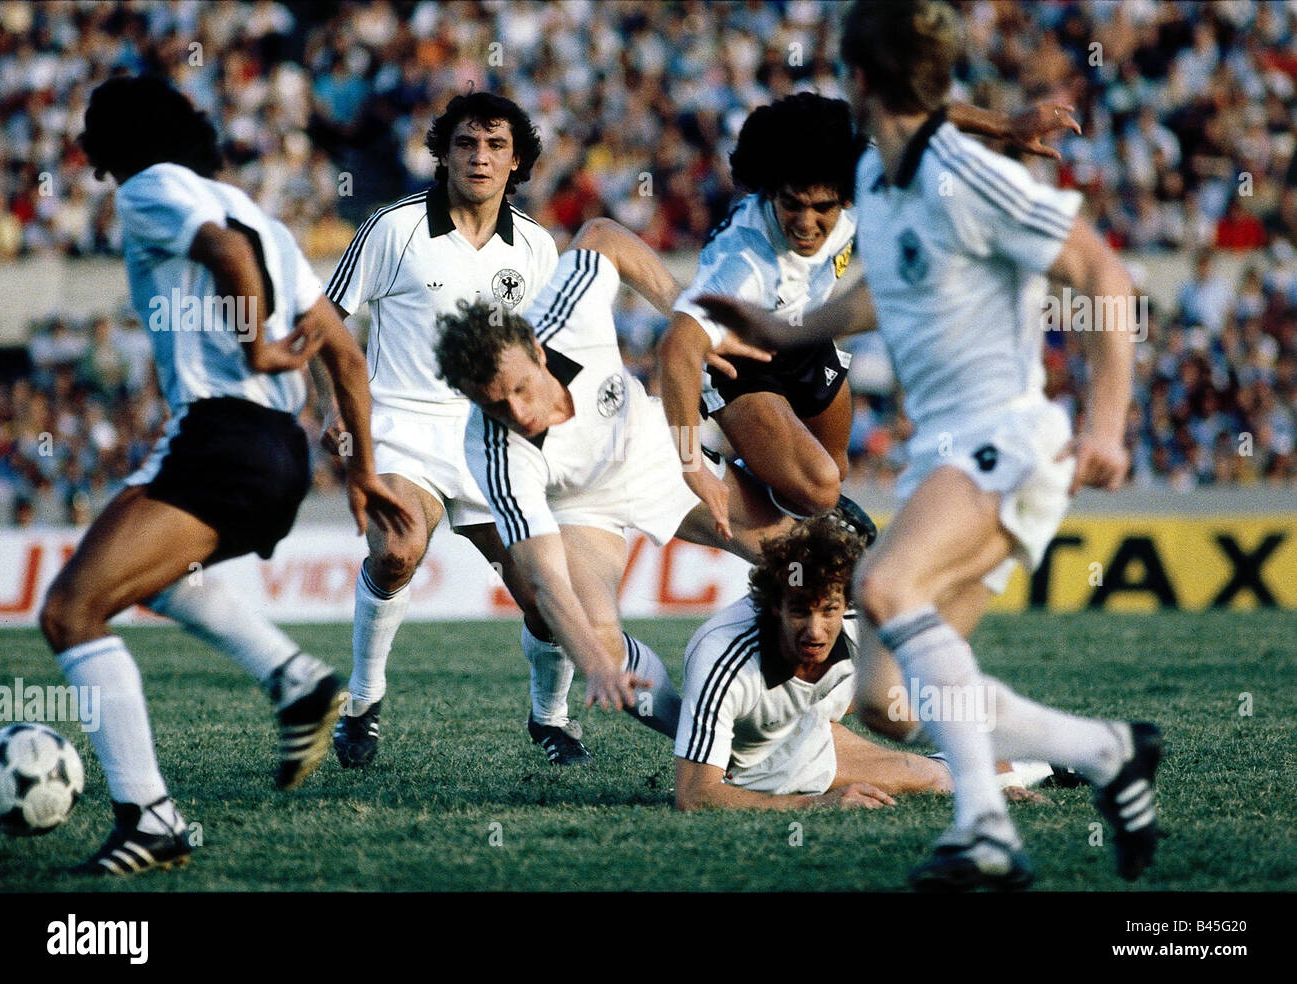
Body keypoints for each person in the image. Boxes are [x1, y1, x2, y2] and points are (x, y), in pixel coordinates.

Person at [698, 0, 1162, 891]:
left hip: (1005, 438)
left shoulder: (960, 172)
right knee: (893, 705)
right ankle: (1109, 751)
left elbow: (1100, 269)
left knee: (884, 583)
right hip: (943, 459)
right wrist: (782, 327)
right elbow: (885, 297)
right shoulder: (879, 179)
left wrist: (1108, 425)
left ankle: (984, 831)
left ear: (862, 81)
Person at [45, 76, 410, 875]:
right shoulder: (265, 217)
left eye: (92, 130)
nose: (86, 147)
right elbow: (344, 354)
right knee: (156, 578)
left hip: (223, 432)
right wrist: (361, 472)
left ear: (122, 138)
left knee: (71, 613)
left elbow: (222, 251)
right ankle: (294, 679)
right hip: (278, 448)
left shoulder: (152, 190)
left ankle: (150, 817)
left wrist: (250, 345)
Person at [660, 92, 1082, 537]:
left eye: (822, 207)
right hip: (738, 356)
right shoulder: (743, 265)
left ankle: (774, 486)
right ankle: (737, 509)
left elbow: (911, 113)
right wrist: (689, 462)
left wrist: (1005, 125)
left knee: (834, 467)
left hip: (798, 329)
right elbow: (676, 349)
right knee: (820, 489)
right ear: (770, 192)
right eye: (792, 205)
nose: (806, 223)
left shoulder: (863, 167)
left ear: (847, 195)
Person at [434, 218, 793, 722]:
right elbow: (545, 578)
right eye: (493, 405)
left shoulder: (565, 316)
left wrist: (692, 324)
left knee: (789, 555)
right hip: (581, 511)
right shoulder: (494, 452)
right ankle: (701, 737)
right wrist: (595, 665)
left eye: (520, 389)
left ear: (538, 350)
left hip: (651, 449)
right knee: (599, 640)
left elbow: (603, 235)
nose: (516, 413)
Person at [321, 92, 583, 766]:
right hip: (402, 427)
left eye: (496, 146)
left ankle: (551, 720)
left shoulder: (535, 247)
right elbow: (327, 320)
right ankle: (363, 704)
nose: (480, 157)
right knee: (397, 549)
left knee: (548, 598)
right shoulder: (392, 226)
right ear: (442, 152)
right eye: (466, 143)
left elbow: (558, 349)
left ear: (517, 159)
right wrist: (334, 409)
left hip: (495, 439)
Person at [674, 516, 1052, 811]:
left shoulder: (865, 616)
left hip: (812, 710)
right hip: (760, 755)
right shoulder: (723, 657)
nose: (815, 630)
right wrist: (815, 804)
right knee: (933, 778)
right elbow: (694, 795)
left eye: (829, 610)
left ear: (846, 602)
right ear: (775, 606)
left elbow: (951, 664)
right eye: (800, 611)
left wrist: (1002, 781)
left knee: (934, 765)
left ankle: (1049, 765)